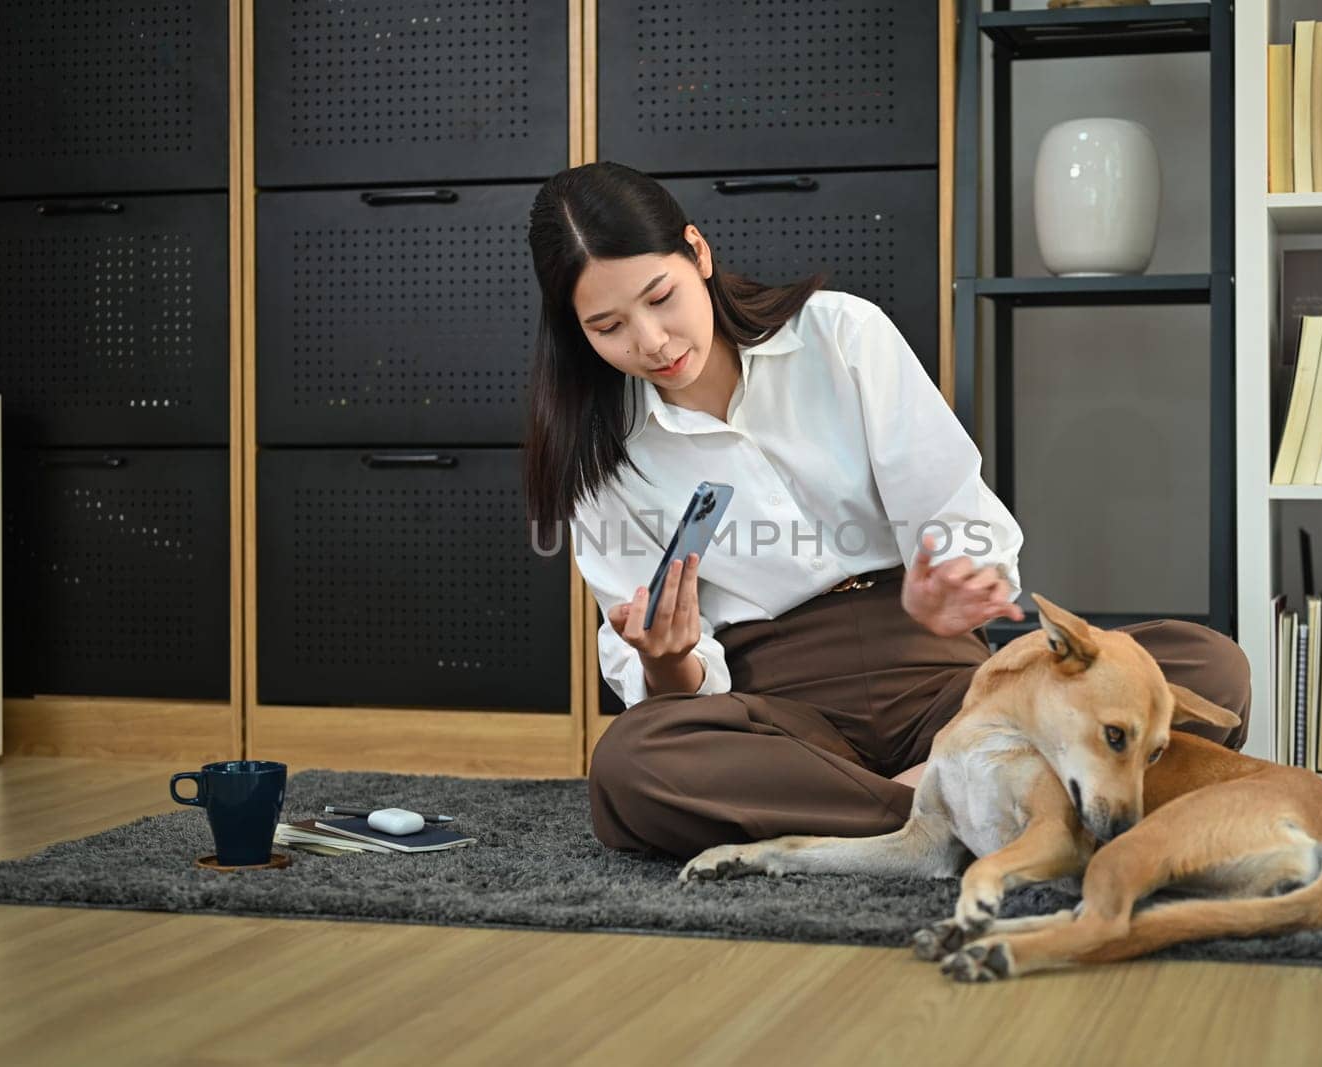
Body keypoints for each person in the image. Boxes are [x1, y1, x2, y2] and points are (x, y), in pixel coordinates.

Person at [524, 161, 1250, 862]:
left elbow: (960, 520)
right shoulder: (596, 455)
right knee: (630, 763)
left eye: (660, 297)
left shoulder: (842, 336)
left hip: (942, 683)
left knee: (1205, 668)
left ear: (698, 252)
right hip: (778, 717)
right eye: (608, 325)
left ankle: (938, 800)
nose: (651, 341)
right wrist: (669, 660)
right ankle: (943, 804)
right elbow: (666, 691)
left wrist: (957, 583)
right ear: (576, 331)